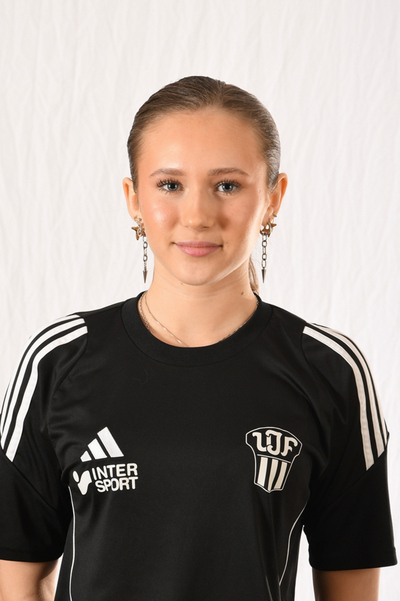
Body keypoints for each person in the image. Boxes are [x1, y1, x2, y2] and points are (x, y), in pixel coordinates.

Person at [0, 76, 396, 601]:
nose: (197, 216)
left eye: (227, 185)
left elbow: (351, 587)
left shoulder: (329, 370)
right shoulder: (59, 361)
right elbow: (17, 578)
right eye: (170, 185)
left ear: (273, 198)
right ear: (133, 198)